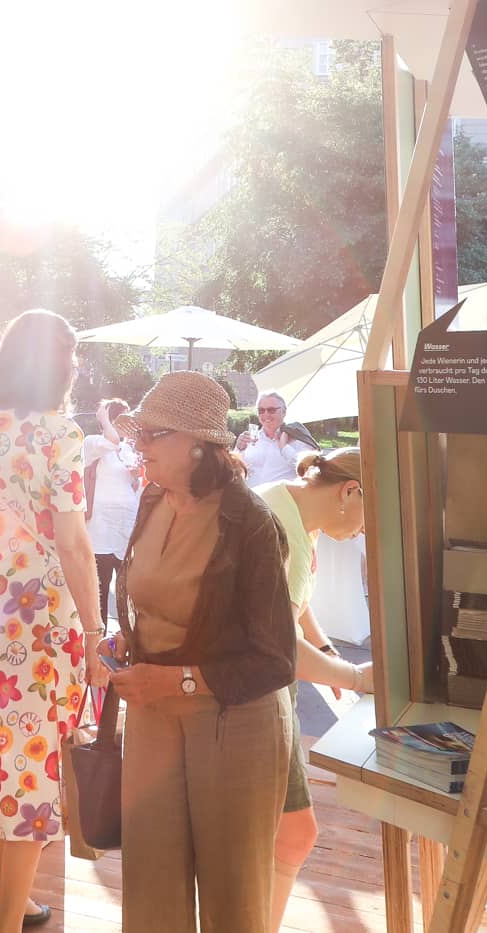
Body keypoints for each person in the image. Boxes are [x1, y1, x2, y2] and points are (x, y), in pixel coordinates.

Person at [111, 370, 298, 931]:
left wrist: (174, 682)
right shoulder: (151, 498)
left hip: (233, 723)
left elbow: (276, 661)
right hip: (152, 716)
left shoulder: (251, 523)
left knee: (232, 897)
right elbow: (161, 598)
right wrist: (126, 639)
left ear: (197, 445)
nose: (138, 447)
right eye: (137, 435)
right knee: (150, 888)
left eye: (151, 435)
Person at [0, 310, 106, 933]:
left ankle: (11, 899)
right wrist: (98, 632)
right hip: (44, 612)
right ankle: (12, 916)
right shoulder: (60, 434)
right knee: (36, 759)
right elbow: (74, 544)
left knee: (8, 749)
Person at [258, 447, 376, 929]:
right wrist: (354, 678)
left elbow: (295, 601)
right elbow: (281, 638)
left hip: (255, 691)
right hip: (259, 697)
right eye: (371, 518)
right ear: (350, 491)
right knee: (295, 833)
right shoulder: (288, 530)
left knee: (279, 833)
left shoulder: (291, 508)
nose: (367, 532)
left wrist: (328, 655)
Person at [82, 398, 139, 631]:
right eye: (121, 419)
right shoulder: (94, 443)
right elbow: (112, 440)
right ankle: (99, 639)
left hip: (125, 527)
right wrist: (104, 417)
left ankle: (128, 639)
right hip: (100, 528)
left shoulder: (127, 449)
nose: (126, 425)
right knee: (101, 589)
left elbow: (132, 485)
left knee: (128, 590)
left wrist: (136, 476)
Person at [237, 391, 314, 489]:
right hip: (251, 500)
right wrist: (239, 449)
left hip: (282, 501)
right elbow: (236, 471)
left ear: (284, 412)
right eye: (261, 410)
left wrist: (284, 447)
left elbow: (308, 470)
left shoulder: (298, 437)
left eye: (271, 410)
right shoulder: (250, 438)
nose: (266, 414)